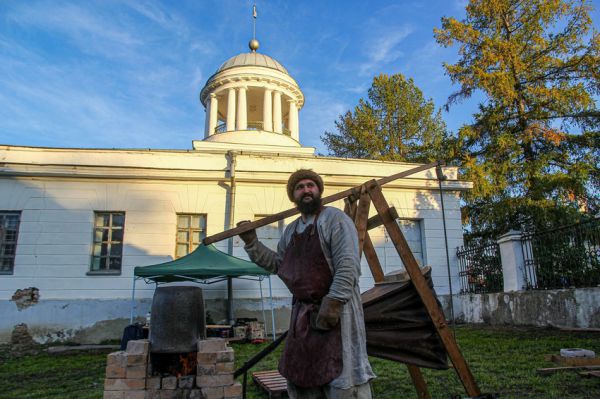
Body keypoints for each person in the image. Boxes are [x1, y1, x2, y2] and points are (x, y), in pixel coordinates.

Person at [238, 169, 375, 399]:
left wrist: (334, 302)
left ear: (319, 190)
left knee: (342, 379)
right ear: (294, 196)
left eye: (311, 185)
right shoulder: (291, 230)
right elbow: (277, 264)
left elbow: (348, 264)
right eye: (299, 187)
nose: (306, 190)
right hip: (302, 316)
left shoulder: (335, 219)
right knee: (303, 377)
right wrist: (252, 243)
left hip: (338, 314)